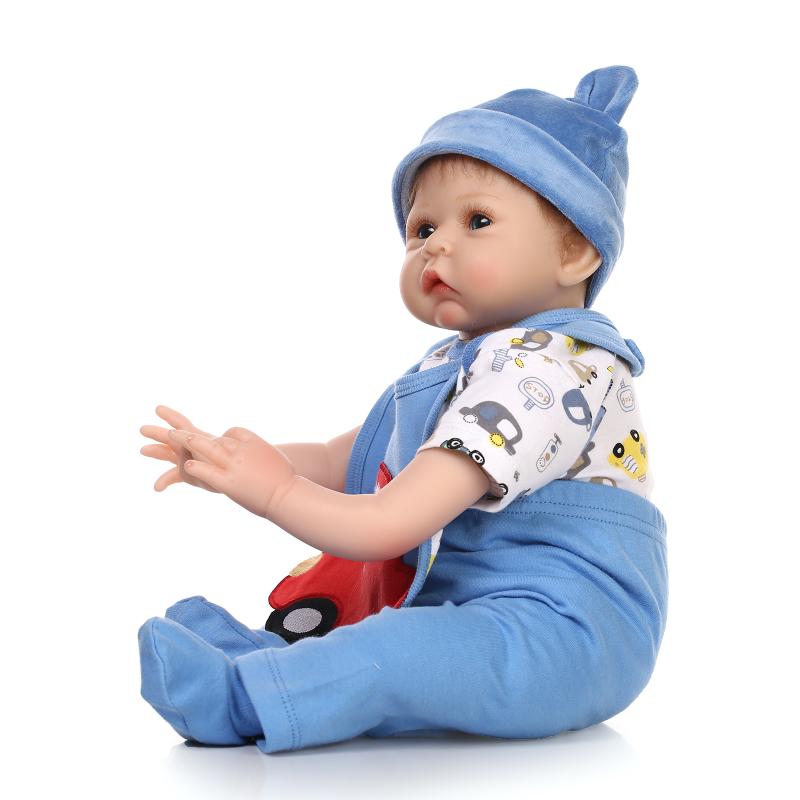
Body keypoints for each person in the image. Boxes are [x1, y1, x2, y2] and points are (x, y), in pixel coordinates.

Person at [137, 65, 668, 754]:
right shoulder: (461, 362)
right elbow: (349, 457)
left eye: (478, 221)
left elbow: (391, 522)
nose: (436, 245)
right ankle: (260, 664)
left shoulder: (547, 370)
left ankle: (245, 698)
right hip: (478, 609)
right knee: (397, 641)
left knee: (397, 652)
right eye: (421, 228)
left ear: (576, 251)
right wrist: (238, 460)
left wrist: (274, 491)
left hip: (568, 633)